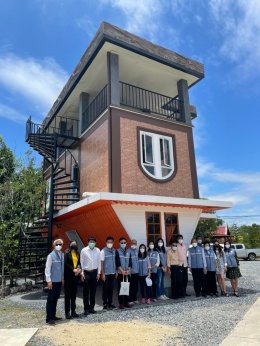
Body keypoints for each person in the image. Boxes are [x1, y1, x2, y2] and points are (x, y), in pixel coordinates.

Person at [45, 239, 64, 325]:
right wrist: (48, 280)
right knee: (51, 299)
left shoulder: (62, 255)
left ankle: (53, 315)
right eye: (57, 244)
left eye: (60, 244)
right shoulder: (51, 256)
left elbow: (62, 268)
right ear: (54, 245)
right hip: (52, 281)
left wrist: (63, 278)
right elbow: (47, 268)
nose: (59, 246)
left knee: (56, 298)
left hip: (59, 280)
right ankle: (49, 318)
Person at [80, 236, 101, 315]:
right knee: (86, 292)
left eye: (93, 242)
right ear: (88, 242)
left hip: (94, 272)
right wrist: (82, 273)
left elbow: (99, 262)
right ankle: (86, 309)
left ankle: (92, 308)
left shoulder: (98, 250)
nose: (92, 243)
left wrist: (99, 273)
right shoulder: (84, 250)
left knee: (93, 291)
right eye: (90, 241)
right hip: (86, 273)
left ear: (95, 243)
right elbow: (81, 262)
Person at [64, 241, 81, 319]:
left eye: (75, 244)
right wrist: (72, 269)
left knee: (74, 295)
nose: (74, 245)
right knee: (67, 295)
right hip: (68, 277)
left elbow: (79, 263)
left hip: (75, 277)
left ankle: (73, 311)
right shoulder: (67, 253)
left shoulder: (78, 253)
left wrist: (78, 269)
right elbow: (66, 264)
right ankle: (67, 312)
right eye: (72, 244)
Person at [101, 236, 117, 310]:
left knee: (111, 289)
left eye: (111, 242)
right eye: (108, 242)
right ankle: (105, 303)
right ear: (106, 243)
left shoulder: (114, 250)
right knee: (105, 289)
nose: (110, 243)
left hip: (113, 273)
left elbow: (115, 262)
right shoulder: (103, 251)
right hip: (106, 274)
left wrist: (116, 271)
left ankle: (110, 303)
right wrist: (103, 273)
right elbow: (102, 263)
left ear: (113, 243)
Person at [115, 237, 131, 309]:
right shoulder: (117, 251)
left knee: (127, 287)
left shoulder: (128, 252)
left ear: (126, 243)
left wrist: (128, 271)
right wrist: (122, 271)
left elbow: (130, 263)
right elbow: (117, 263)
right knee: (121, 288)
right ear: (119, 243)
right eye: (122, 243)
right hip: (121, 273)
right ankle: (121, 303)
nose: (123, 244)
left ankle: (126, 302)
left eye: (124, 242)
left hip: (127, 273)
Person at [129, 239, 139, 304]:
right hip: (131, 272)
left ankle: (135, 298)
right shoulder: (128, 251)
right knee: (131, 286)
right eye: (133, 243)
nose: (134, 245)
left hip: (137, 272)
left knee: (136, 286)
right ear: (130, 244)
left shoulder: (137, 251)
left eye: (135, 243)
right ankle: (130, 299)